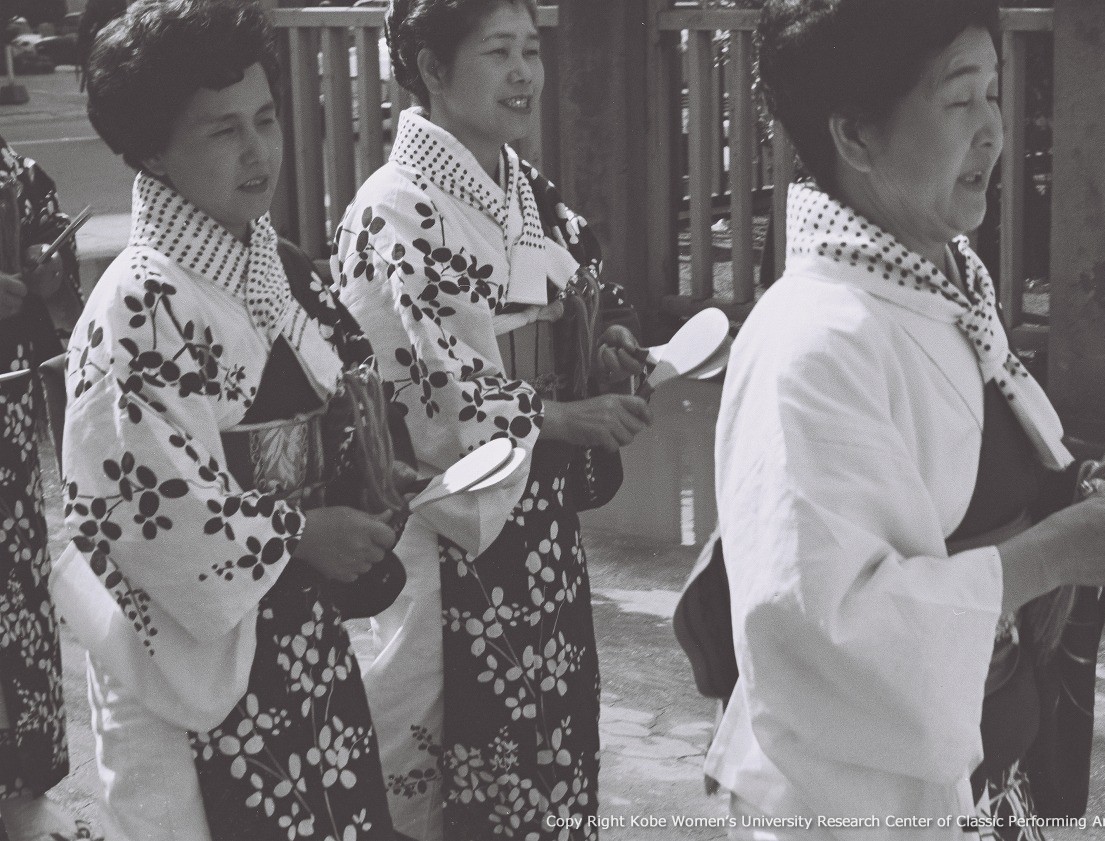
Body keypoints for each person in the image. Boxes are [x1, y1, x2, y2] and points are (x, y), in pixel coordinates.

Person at [709, 1, 1105, 839]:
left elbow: (982, 485)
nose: (993, 130)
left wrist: (1100, 481)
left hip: (984, 781)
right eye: (958, 99)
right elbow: (823, 632)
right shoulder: (814, 341)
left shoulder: (936, 285)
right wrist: (1057, 552)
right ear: (856, 135)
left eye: (994, 91)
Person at [54, 0, 402, 838]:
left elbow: (349, 402)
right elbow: (148, 515)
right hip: (192, 665)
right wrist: (300, 533)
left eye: (266, 119)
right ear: (152, 150)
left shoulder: (278, 267)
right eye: (223, 130)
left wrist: (376, 475)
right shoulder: (137, 304)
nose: (258, 151)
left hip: (299, 632)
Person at [332, 0, 651, 836]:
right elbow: (431, 382)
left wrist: (604, 339)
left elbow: (583, 280)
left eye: (531, 51)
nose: (523, 74)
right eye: (498, 52)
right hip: (449, 517)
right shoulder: (393, 207)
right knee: (435, 740)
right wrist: (560, 416)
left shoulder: (523, 185)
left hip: (537, 517)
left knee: (547, 730)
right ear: (433, 69)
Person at [0, 134, 81, 840]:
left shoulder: (16, 171)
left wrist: (48, 271)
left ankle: (19, 786)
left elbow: (57, 257)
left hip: (7, 412)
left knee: (17, 593)